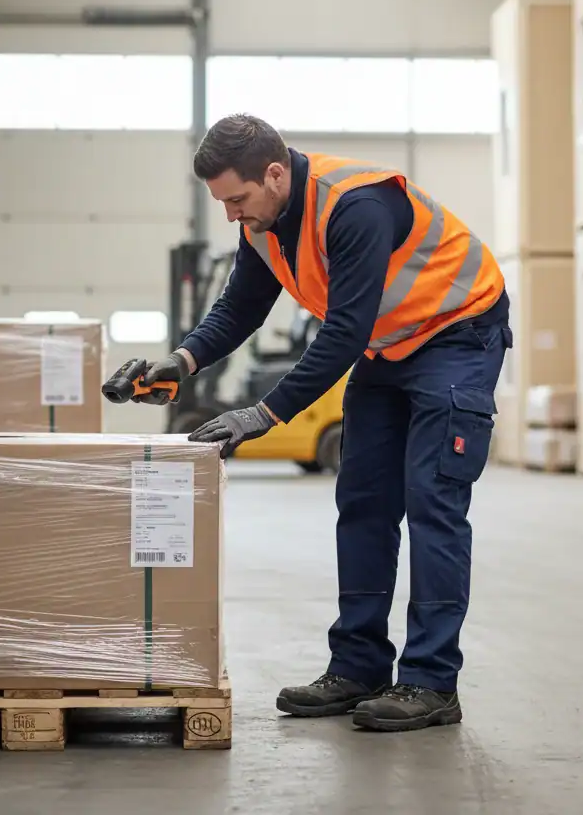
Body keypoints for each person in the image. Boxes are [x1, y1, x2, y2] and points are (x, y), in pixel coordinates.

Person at [122, 114, 512, 733]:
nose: (230, 214)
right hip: (389, 347)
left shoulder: (355, 206)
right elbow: (241, 308)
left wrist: (263, 415)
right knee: (362, 500)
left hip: (457, 335)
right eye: (220, 202)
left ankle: (432, 681)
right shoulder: (265, 220)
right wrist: (181, 360)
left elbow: (342, 333)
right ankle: (358, 666)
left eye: (237, 199)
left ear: (275, 174)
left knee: (432, 499)